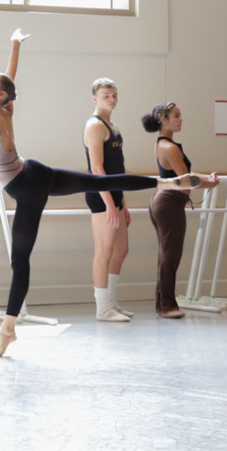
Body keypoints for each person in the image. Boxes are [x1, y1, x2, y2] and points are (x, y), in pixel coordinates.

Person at [0, 30, 200, 356]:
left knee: (26, 254)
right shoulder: (1, 107)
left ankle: (7, 329)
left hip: (30, 182)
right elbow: (9, 78)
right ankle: (8, 330)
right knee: (89, 189)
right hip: (29, 181)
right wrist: (13, 45)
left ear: (1, 96)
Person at [142, 102, 220, 319]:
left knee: (166, 255)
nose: (180, 119)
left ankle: (163, 304)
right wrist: (209, 182)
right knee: (170, 255)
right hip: (169, 204)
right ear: (163, 120)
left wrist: (206, 178)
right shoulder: (170, 147)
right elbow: (187, 181)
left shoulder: (163, 144)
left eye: (180, 115)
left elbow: (184, 174)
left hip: (164, 202)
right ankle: (167, 305)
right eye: (176, 116)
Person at [83, 78, 133, 322]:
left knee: (121, 249)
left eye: (114, 95)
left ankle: (112, 303)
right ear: (95, 99)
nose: (112, 99)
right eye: (106, 96)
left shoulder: (113, 125)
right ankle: (102, 308)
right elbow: (97, 168)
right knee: (104, 250)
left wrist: (123, 202)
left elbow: (118, 167)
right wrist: (110, 205)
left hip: (115, 194)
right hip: (101, 195)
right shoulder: (94, 126)